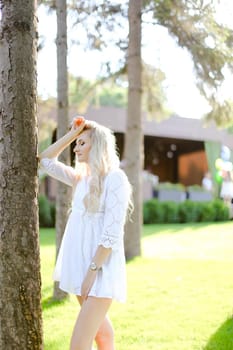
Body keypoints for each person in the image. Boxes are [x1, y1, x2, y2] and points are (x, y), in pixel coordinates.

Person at [39, 117, 133, 350]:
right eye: (76, 143)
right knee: (103, 336)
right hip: (80, 266)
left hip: (100, 269)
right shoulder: (80, 179)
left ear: (98, 146)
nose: (75, 148)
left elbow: (112, 233)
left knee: (78, 345)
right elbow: (45, 160)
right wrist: (73, 133)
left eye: (82, 143)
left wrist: (92, 272)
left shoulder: (115, 179)